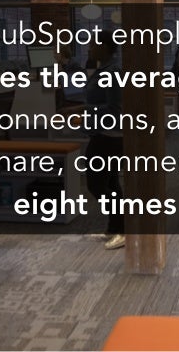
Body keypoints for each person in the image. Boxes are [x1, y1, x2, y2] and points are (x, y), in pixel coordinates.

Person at [62, 30, 125, 250]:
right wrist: (82, 109)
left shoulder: (113, 72)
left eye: (92, 45)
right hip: (103, 134)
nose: (89, 49)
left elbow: (115, 109)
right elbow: (100, 102)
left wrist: (84, 110)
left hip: (109, 136)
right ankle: (115, 228)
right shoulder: (104, 69)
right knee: (111, 184)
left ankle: (124, 227)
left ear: (104, 47)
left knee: (95, 185)